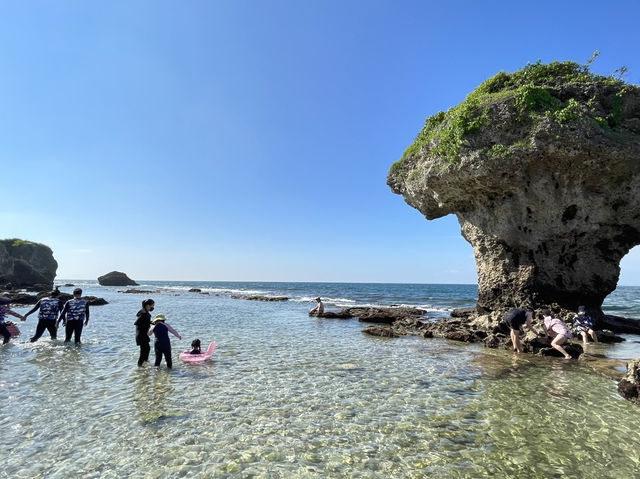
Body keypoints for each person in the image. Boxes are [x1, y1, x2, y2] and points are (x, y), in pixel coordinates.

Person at [134, 299, 155, 366]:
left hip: (142, 335)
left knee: (147, 349)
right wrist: (149, 325)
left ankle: (145, 363)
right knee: (143, 351)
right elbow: (137, 323)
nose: (153, 307)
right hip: (141, 335)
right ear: (147, 305)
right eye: (152, 305)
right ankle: (140, 366)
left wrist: (151, 323)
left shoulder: (144, 312)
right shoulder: (144, 313)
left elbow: (145, 322)